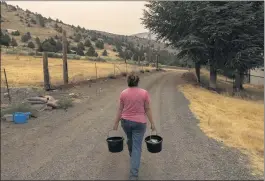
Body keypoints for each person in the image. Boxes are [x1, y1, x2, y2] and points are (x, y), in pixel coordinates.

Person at [113, 73, 156, 180]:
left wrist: (116, 122)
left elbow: (120, 109)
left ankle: (132, 152)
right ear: (138, 82)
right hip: (140, 123)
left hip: (126, 122)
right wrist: (152, 123)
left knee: (130, 139)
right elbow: (147, 109)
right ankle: (133, 175)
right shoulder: (144, 93)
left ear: (128, 82)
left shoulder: (123, 93)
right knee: (137, 147)